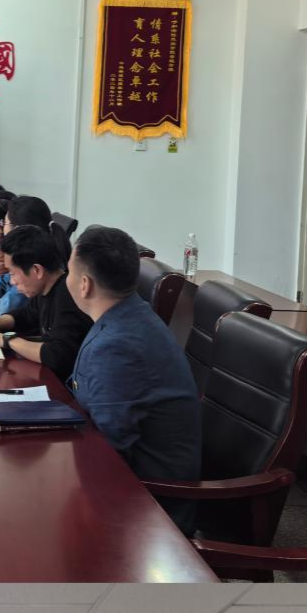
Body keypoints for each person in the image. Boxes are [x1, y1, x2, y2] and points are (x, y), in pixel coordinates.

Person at [67, 225, 202, 534]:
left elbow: (108, 456)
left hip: (146, 512)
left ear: (85, 285)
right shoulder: (130, 314)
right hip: (130, 485)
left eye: (69, 272)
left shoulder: (116, 347)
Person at [0, 224, 90, 377]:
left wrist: (7, 340)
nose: (12, 281)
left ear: (37, 270)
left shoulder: (68, 298)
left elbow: (57, 355)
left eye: (13, 273)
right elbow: (26, 315)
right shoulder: (46, 289)